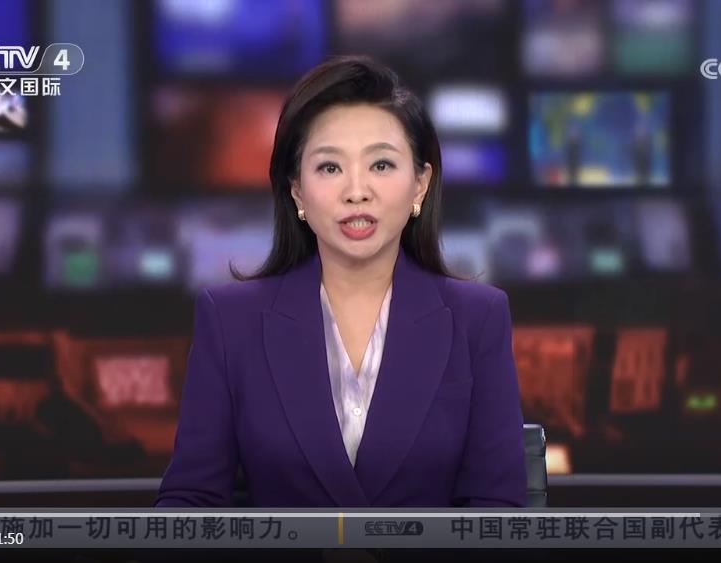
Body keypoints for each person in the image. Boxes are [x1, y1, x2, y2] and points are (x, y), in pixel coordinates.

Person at [155, 55, 526, 507]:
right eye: (330, 167)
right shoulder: (231, 322)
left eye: (381, 165)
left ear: (420, 184)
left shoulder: (477, 320)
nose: (356, 191)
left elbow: (497, 511)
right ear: (296, 189)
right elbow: (190, 503)